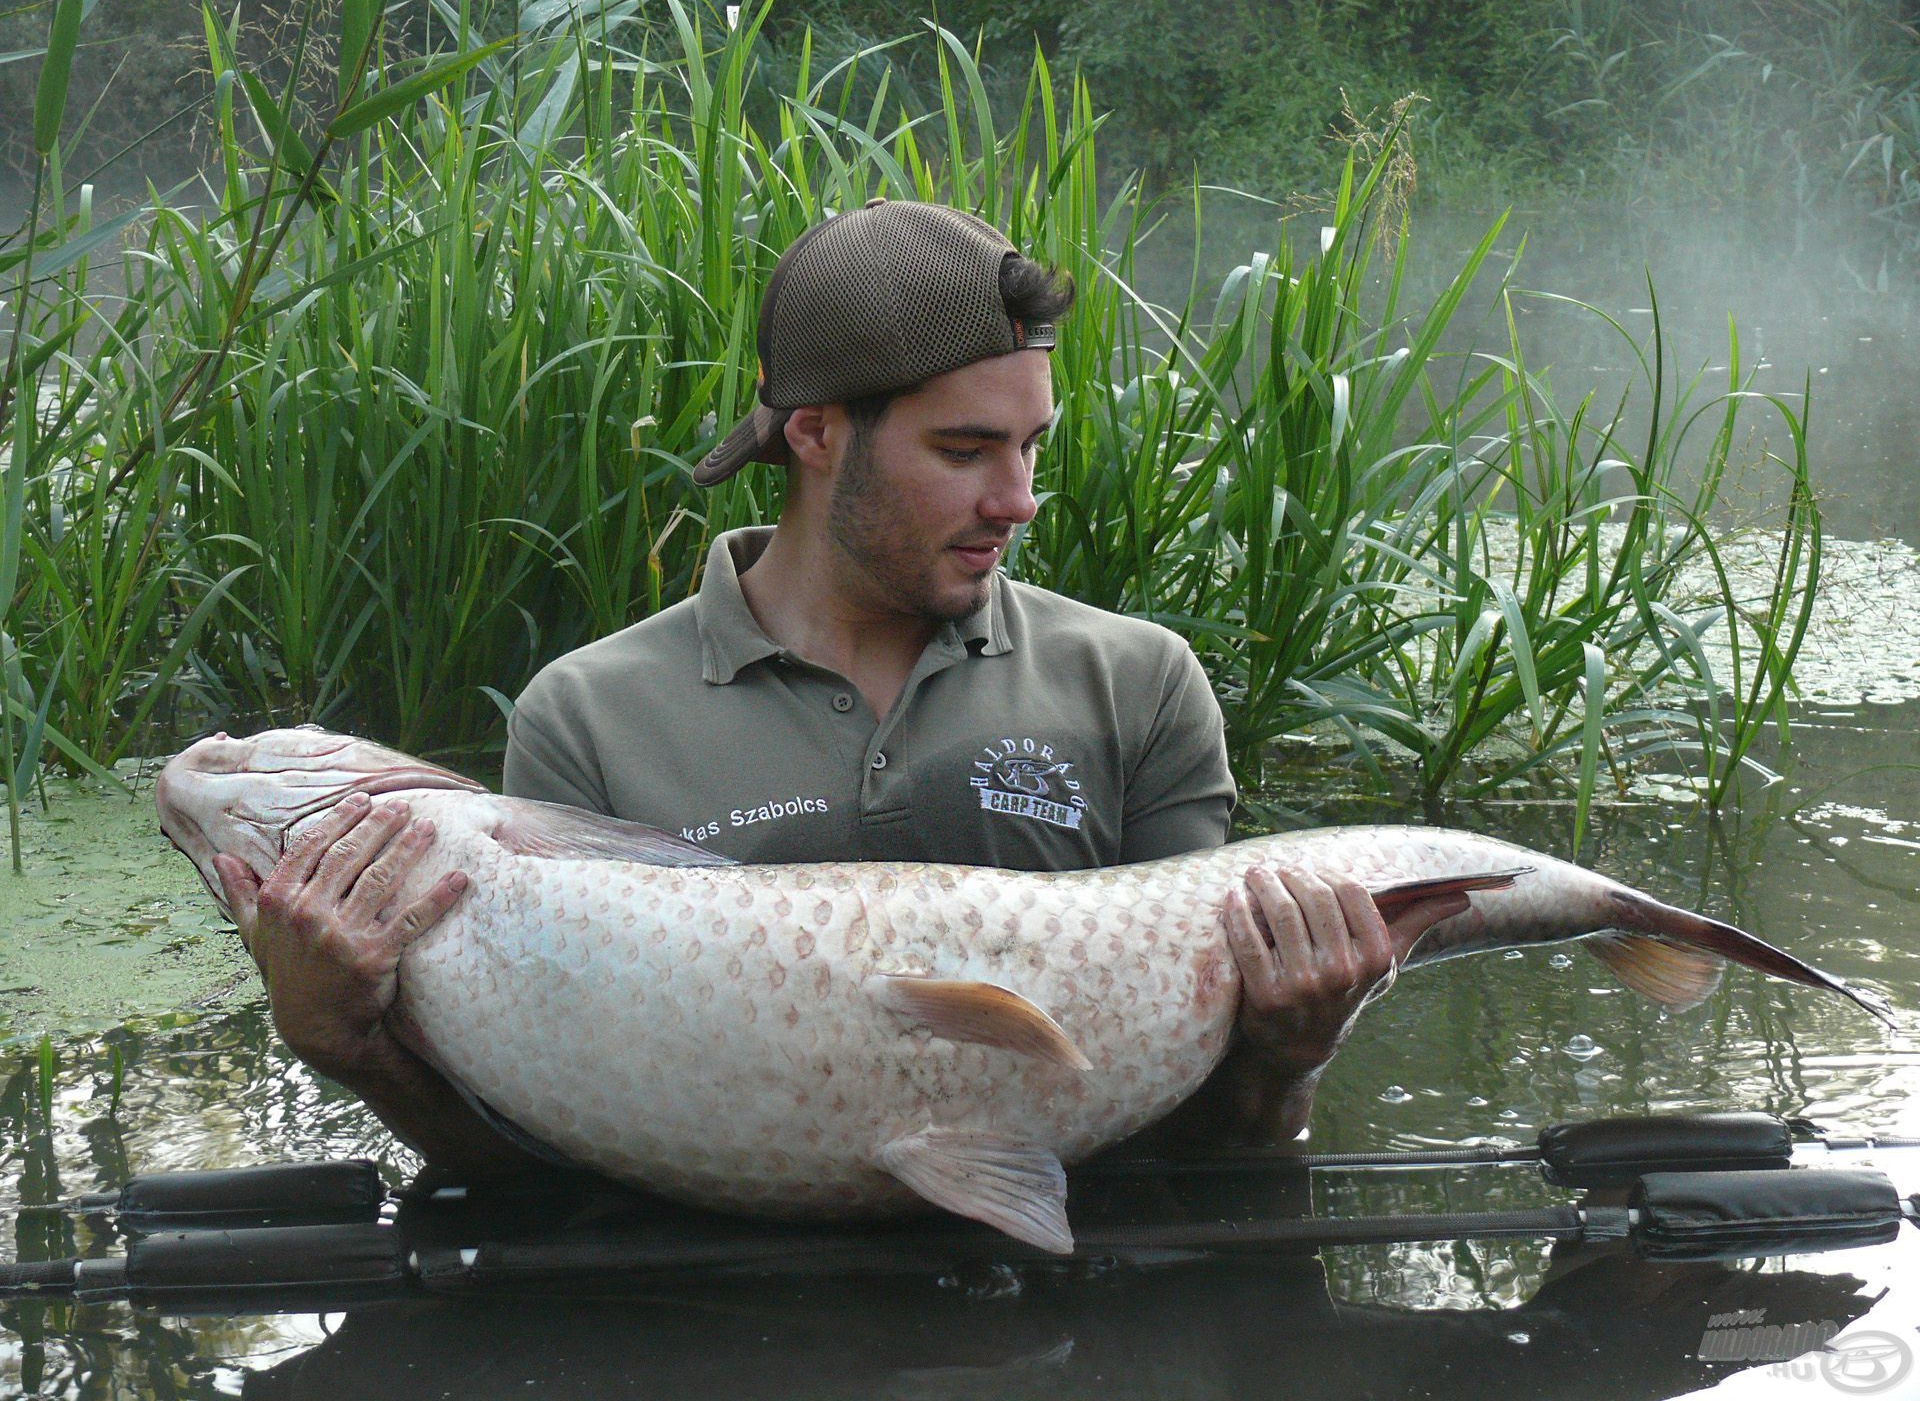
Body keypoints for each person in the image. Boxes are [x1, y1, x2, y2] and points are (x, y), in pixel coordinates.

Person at [212, 200, 1471, 1176]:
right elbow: (538, 1161)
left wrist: (1288, 1054)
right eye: (964, 451)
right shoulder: (587, 715)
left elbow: (1220, 1149)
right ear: (812, 433)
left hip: (1074, 1302)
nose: (1019, 500)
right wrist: (351, 1044)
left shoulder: (1136, 683)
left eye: (1031, 446)